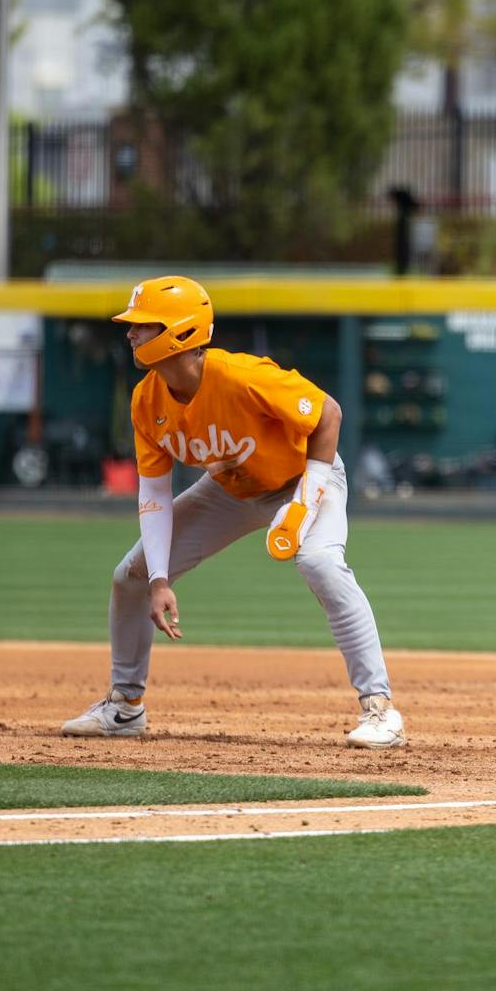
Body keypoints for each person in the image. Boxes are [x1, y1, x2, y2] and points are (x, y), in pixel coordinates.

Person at [62, 276, 406, 749]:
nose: (130, 333)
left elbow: (328, 414)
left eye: (142, 325)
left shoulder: (241, 376)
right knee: (132, 576)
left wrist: (306, 499)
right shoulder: (146, 400)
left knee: (319, 561)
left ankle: (380, 710)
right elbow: (155, 494)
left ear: (179, 333)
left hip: (304, 477)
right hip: (229, 490)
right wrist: (160, 578)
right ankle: (124, 707)